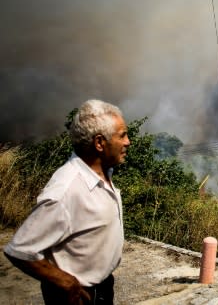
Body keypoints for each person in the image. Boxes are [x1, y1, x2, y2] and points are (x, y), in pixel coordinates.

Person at [4, 99, 130, 305]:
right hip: (77, 295)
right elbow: (19, 250)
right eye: (122, 135)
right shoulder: (66, 191)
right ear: (99, 143)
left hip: (103, 287)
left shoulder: (103, 172)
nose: (128, 142)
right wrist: (65, 281)